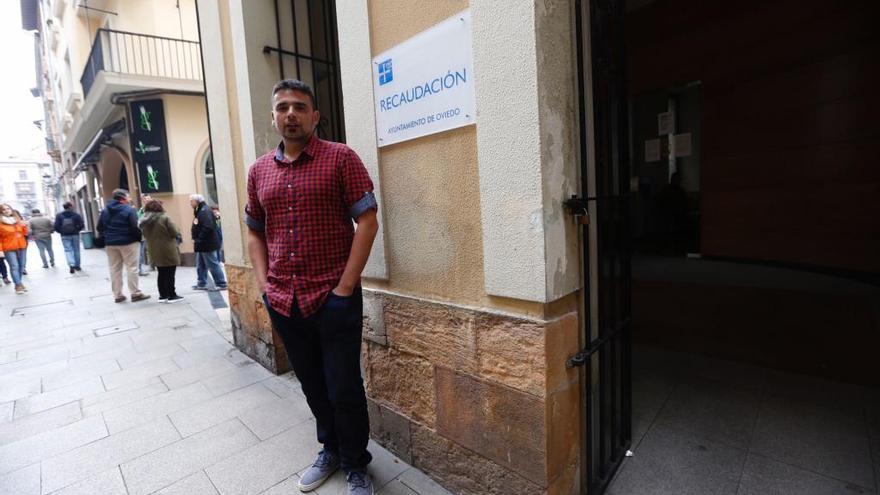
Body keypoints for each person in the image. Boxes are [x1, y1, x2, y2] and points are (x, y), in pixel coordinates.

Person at [246, 79, 379, 495]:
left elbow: (368, 220)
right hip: (285, 301)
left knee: (344, 387)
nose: (290, 114)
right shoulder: (258, 171)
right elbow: (254, 232)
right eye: (282, 106)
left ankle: (357, 463)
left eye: (299, 107)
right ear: (273, 116)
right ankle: (331, 450)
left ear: (315, 116)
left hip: (333, 299)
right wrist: (265, 286)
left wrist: (345, 287)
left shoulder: (341, 158)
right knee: (313, 385)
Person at [97, 189, 150, 303]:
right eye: (128, 196)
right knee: (132, 267)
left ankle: (118, 295)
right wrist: (138, 237)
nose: (129, 198)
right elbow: (134, 226)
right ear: (123, 198)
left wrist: (108, 235)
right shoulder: (128, 209)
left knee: (114, 269)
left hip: (110, 243)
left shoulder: (105, 210)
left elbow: (99, 227)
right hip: (128, 242)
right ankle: (135, 293)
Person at [139, 199, 183, 303]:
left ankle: (163, 295)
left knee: (161, 273)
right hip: (167, 249)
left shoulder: (144, 220)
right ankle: (172, 295)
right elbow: (174, 232)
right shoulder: (164, 218)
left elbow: (144, 235)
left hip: (153, 250)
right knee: (170, 273)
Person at [190, 194, 227, 290]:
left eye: (191, 201)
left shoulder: (204, 211)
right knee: (201, 264)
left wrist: (199, 238)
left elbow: (208, 226)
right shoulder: (200, 210)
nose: (190, 203)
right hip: (202, 244)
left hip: (207, 243)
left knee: (213, 264)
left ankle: (221, 283)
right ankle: (201, 283)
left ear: (197, 201)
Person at [0, 204, 29, 294]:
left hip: (21, 246)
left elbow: (25, 233)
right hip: (8, 247)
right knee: (14, 266)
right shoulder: (1, 223)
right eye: (4, 210)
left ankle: (19, 283)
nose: (6, 210)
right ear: (1, 212)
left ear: (11, 209)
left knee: (22, 265)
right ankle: (18, 285)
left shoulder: (18, 220)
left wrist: (25, 226)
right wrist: (0, 250)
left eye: (8, 208)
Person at [54, 202, 85, 273]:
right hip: (75, 235)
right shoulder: (76, 215)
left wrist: (61, 232)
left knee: (68, 250)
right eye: (72, 206)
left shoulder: (59, 216)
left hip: (64, 235)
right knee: (76, 250)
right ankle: (77, 266)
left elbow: (56, 227)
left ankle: (71, 264)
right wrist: (77, 230)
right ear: (70, 206)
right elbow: (81, 225)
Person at [137, 194, 152, 276]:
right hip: (143, 234)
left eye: (148, 199)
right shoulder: (142, 209)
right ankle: (140, 269)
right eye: (145, 199)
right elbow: (139, 219)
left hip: (150, 233)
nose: (146, 201)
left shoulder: (153, 209)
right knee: (141, 252)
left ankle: (152, 265)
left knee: (149, 250)